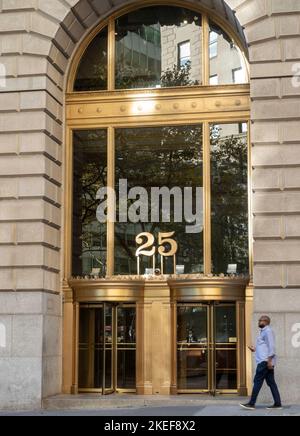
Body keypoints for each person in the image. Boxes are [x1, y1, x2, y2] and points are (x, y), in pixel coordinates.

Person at [240, 315, 282, 410]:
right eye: (259, 320)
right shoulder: (262, 332)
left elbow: (272, 347)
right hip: (265, 361)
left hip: (265, 362)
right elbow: (264, 347)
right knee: (271, 383)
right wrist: (254, 349)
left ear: (266, 321)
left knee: (257, 382)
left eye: (260, 320)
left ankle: (251, 403)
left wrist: (269, 361)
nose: (259, 322)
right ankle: (278, 404)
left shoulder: (268, 331)